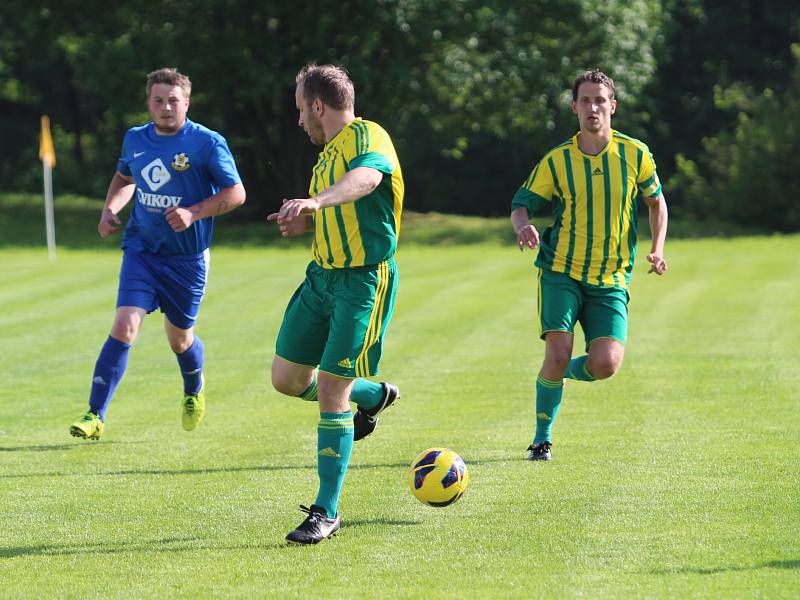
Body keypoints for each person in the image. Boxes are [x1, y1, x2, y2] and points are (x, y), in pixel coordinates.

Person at [69, 67, 246, 440]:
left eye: (173, 100)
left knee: (179, 339)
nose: (166, 107)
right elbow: (125, 178)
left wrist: (193, 212)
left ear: (187, 102)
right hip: (142, 251)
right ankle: (94, 415)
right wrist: (110, 209)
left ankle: (193, 390)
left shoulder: (207, 143)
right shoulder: (135, 139)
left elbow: (235, 194)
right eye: (158, 100)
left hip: (187, 259)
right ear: (149, 102)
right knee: (124, 325)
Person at [267, 63, 403, 545]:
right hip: (321, 278)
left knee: (329, 391)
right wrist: (308, 221)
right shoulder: (326, 158)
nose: (299, 120)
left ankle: (326, 510)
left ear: (318, 106)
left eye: (301, 109)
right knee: (287, 380)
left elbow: (366, 180)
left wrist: (318, 204)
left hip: (361, 284)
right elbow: (343, 211)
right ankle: (371, 395)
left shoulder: (369, 136)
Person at [510, 69, 668, 461]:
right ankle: (541, 438)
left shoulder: (635, 154)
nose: (592, 107)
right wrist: (523, 225)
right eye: (585, 100)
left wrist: (658, 247)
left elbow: (656, 203)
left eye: (600, 100)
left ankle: (554, 374)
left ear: (612, 106)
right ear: (574, 107)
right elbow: (521, 203)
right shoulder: (558, 160)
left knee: (606, 364)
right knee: (559, 349)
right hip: (561, 269)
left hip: (611, 276)